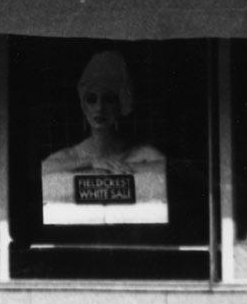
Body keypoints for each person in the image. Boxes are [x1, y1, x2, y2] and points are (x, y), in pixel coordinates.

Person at [41, 51, 167, 226]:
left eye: (108, 99)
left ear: (121, 103)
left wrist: (127, 167)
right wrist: (92, 162)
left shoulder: (141, 153)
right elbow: (43, 170)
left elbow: (168, 170)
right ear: (83, 105)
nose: (99, 108)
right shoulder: (72, 155)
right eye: (92, 99)